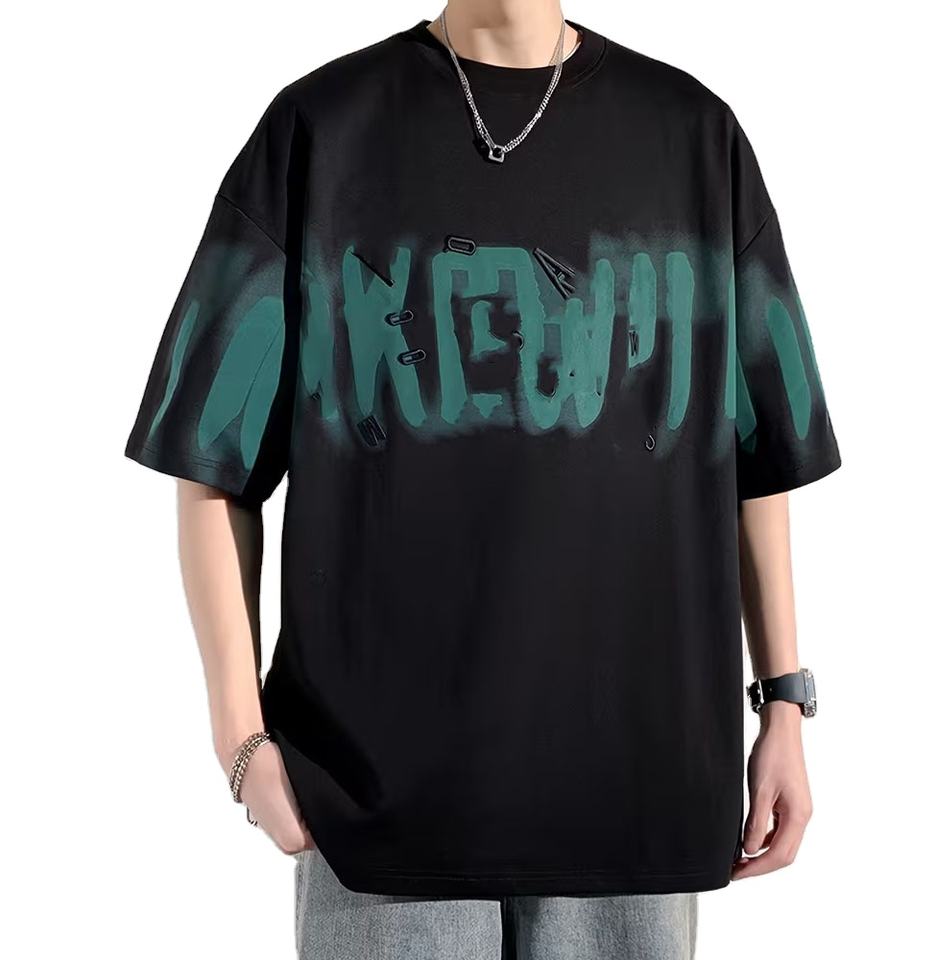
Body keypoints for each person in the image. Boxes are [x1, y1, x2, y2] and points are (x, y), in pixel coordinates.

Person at [124, 2, 840, 957]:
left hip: (636, 793)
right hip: (377, 812)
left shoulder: (694, 136)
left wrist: (785, 699)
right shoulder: (321, 128)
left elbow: (758, 453)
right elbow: (211, 456)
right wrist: (238, 736)